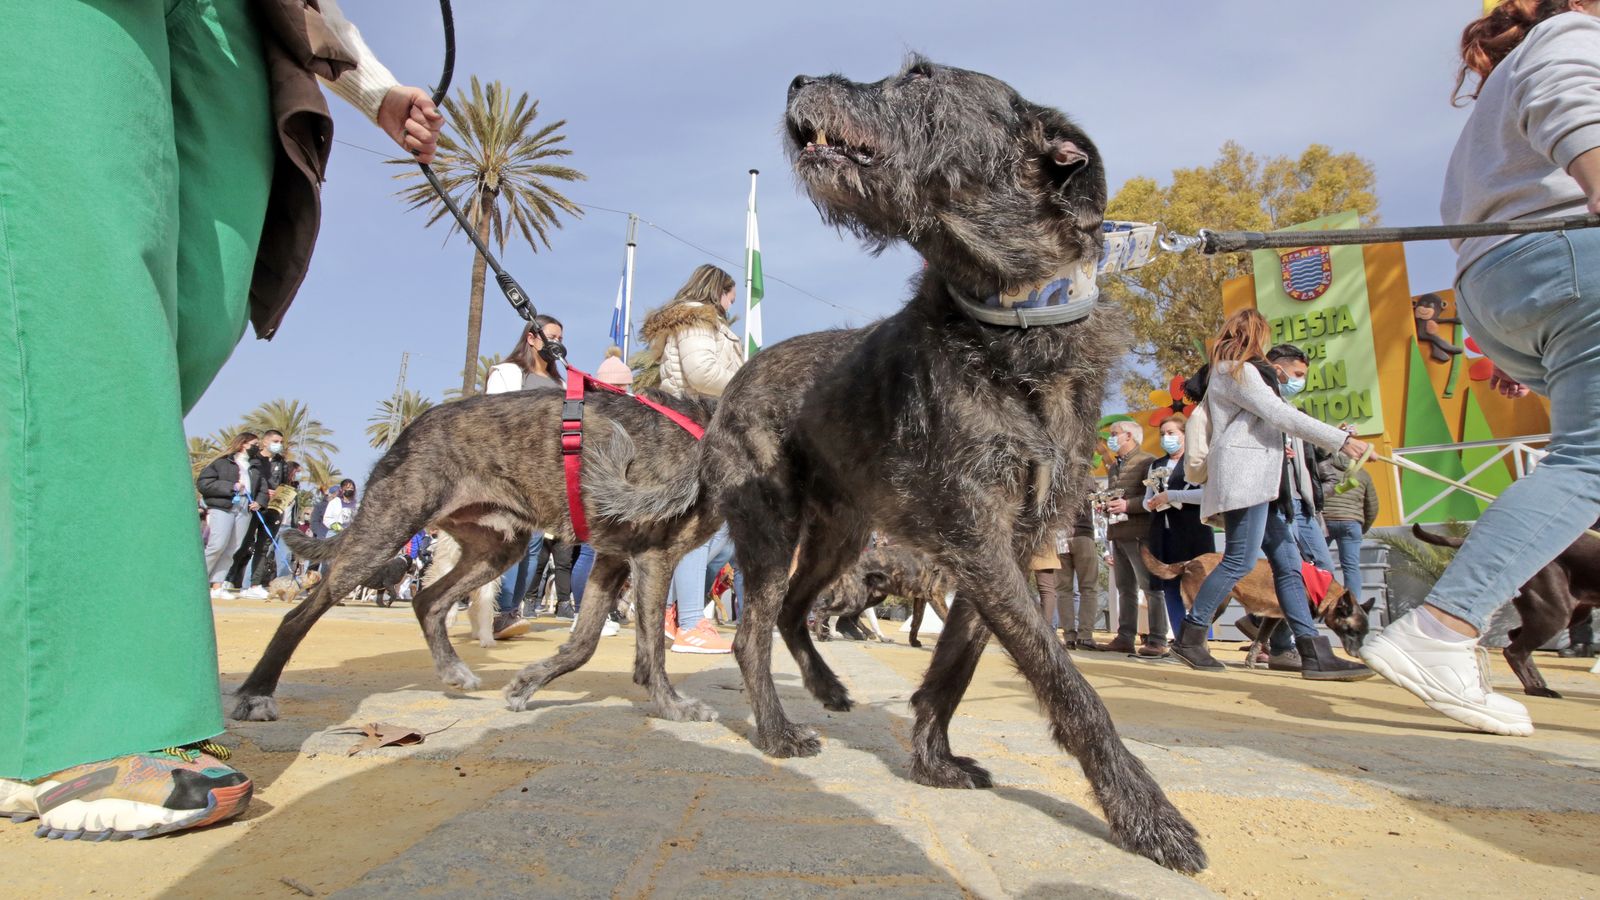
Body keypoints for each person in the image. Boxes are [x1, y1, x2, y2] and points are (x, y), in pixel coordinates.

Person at [1362, 0, 1600, 736]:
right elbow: (1574, 103)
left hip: (1504, 285)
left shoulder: (1501, 91)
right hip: (1566, 260)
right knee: (1590, 461)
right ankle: (1444, 626)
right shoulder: (1573, 32)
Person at [1172, 310, 1374, 681]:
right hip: (1247, 478)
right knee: (1239, 561)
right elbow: (1279, 415)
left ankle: (1312, 653)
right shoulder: (1238, 371)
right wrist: (1342, 440)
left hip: (1263, 484)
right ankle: (1191, 635)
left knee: (1289, 565)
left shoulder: (1232, 373)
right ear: (1256, 337)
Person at [640, 264, 744, 653]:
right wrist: (750, 382)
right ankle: (689, 623)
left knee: (719, 536)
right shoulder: (699, 319)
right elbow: (701, 373)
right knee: (702, 529)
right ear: (719, 291)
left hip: (703, 428)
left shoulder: (701, 321)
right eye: (730, 296)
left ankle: (672, 612)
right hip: (695, 428)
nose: (731, 304)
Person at [485, 315, 565, 639]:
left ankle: (512, 610)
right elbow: (491, 419)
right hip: (510, 472)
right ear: (532, 338)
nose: (557, 343)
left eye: (561, 338)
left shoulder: (560, 385)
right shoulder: (508, 373)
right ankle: (500, 611)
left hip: (544, 478)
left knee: (531, 546)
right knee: (510, 540)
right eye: (551, 336)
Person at [1142, 414, 1218, 651]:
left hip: (1194, 531)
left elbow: (1207, 494)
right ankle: (1180, 637)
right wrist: (1151, 503)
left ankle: (1203, 637)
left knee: (1199, 584)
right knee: (1170, 585)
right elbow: (1147, 498)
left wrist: (1174, 495)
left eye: (1172, 433)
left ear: (1185, 435)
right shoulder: (1156, 465)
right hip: (1164, 532)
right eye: (1162, 434)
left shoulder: (1197, 460)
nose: (1166, 438)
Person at [1095, 421, 1169, 657]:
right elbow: (1117, 496)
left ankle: (1158, 639)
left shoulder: (1148, 462)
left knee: (1150, 587)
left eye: (1114, 434)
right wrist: (1106, 505)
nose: (1110, 438)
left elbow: (1155, 498)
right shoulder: (1114, 466)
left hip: (1140, 534)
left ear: (1129, 436)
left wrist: (1128, 505)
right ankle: (1125, 637)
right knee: (1125, 589)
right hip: (1118, 533)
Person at [197, 432, 266, 600]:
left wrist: (259, 502)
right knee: (217, 545)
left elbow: (263, 488)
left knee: (232, 548)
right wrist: (231, 486)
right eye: (255, 444)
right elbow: (204, 483)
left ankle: (217, 586)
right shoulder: (222, 462)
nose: (258, 447)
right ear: (243, 444)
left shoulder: (256, 466)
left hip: (245, 508)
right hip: (223, 505)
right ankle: (197, 580)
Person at [226, 430, 291, 599]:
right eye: (275, 441)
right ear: (265, 442)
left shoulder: (282, 463)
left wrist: (278, 494)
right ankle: (228, 578)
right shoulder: (254, 459)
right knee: (243, 543)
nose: (279, 444)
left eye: (281, 441)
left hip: (273, 509)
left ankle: (255, 584)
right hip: (253, 506)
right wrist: (262, 494)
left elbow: (284, 484)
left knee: (263, 547)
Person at [1318, 446, 1379, 604]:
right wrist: (1362, 528)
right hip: (1352, 523)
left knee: (1319, 564)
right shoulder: (1363, 474)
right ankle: (1352, 604)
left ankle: (1323, 601)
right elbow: (1372, 507)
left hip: (1325, 521)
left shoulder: (1322, 469)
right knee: (1351, 567)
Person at [1059, 496, 1103, 649]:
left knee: (1063, 590)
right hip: (1083, 534)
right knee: (1089, 588)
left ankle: (1069, 637)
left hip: (1059, 536)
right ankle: (1085, 636)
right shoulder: (1087, 482)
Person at [1030, 535, 1063, 642]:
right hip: (1043, 537)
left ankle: (1041, 632)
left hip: (1025, 538)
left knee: (1019, 587)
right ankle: (1044, 633)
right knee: (1047, 590)